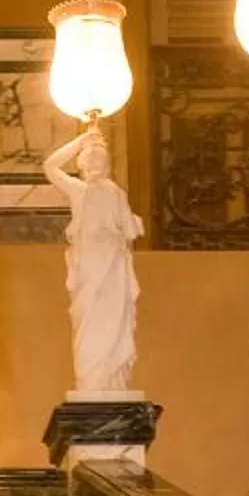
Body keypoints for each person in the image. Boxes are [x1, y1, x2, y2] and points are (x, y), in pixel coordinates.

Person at [42, 126, 143, 397]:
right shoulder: (79, 191)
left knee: (115, 321)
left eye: (102, 158)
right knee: (90, 322)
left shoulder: (116, 193)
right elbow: (50, 166)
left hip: (113, 267)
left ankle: (112, 381)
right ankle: (91, 382)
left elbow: (130, 230)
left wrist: (130, 224)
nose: (98, 162)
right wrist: (80, 141)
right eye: (92, 158)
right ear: (83, 164)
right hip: (90, 265)